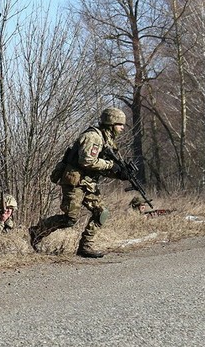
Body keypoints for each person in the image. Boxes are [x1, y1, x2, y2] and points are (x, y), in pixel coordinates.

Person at [28, 107, 130, 258]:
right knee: (70, 219)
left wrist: (119, 174)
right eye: (120, 124)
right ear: (111, 123)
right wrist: (110, 165)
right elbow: (87, 161)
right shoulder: (93, 137)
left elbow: (99, 167)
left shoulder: (106, 140)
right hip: (75, 183)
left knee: (102, 212)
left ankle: (86, 247)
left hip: (88, 183)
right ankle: (37, 231)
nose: (122, 128)